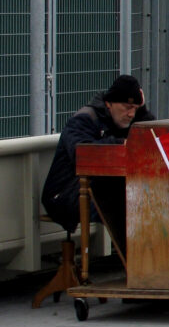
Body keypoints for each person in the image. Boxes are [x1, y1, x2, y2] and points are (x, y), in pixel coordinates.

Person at [41, 75, 155, 235]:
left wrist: (142, 111)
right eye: (127, 107)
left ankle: (138, 255)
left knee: (144, 197)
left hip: (98, 187)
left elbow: (150, 135)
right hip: (64, 193)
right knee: (125, 201)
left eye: (135, 108)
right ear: (109, 103)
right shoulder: (84, 119)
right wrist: (121, 144)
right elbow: (81, 153)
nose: (131, 114)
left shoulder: (119, 119)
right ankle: (132, 256)